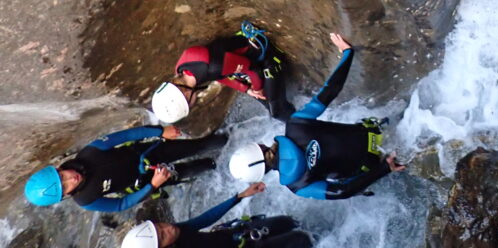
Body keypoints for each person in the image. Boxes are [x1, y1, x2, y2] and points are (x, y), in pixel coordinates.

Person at [227, 33, 405, 200]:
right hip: (376, 133)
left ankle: (383, 173)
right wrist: (347, 53)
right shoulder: (296, 125)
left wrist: (385, 169)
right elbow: (329, 91)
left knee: (344, 181)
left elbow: (341, 192)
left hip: (374, 165)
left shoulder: (297, 185)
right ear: (258, 148)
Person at [24, 124, 226, 211]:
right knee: (192, 169)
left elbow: (126, 135)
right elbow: (121, 205)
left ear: (58, 168)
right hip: (146, 180)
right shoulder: (86, 200)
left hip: (150, 153)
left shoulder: (89, 153)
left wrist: (160, 132)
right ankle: (216, 165)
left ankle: (229, 140)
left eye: (63, 176)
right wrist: (153, 185)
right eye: (65, 186)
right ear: (65, 196)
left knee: (199, 145)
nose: (71, 179)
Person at [152, 22, 294, 123]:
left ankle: (305, 125)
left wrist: (257, 88)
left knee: (276, 111)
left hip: (265, 56)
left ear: (186, 94)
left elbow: (254, 70)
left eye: (188, 105)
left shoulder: (212, 67)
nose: (192, 105)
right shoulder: (182, 70)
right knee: (265, 101)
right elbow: (220, 76)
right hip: (238, 51)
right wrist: (246, 89)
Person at [120, 182, 313, 248]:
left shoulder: (178, 232)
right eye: (162, 235)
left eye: (160, 226)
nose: (168, 228)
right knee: (301, 239)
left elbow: (205, 219)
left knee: (288, 222)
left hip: (236, 235)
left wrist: (240, 196)